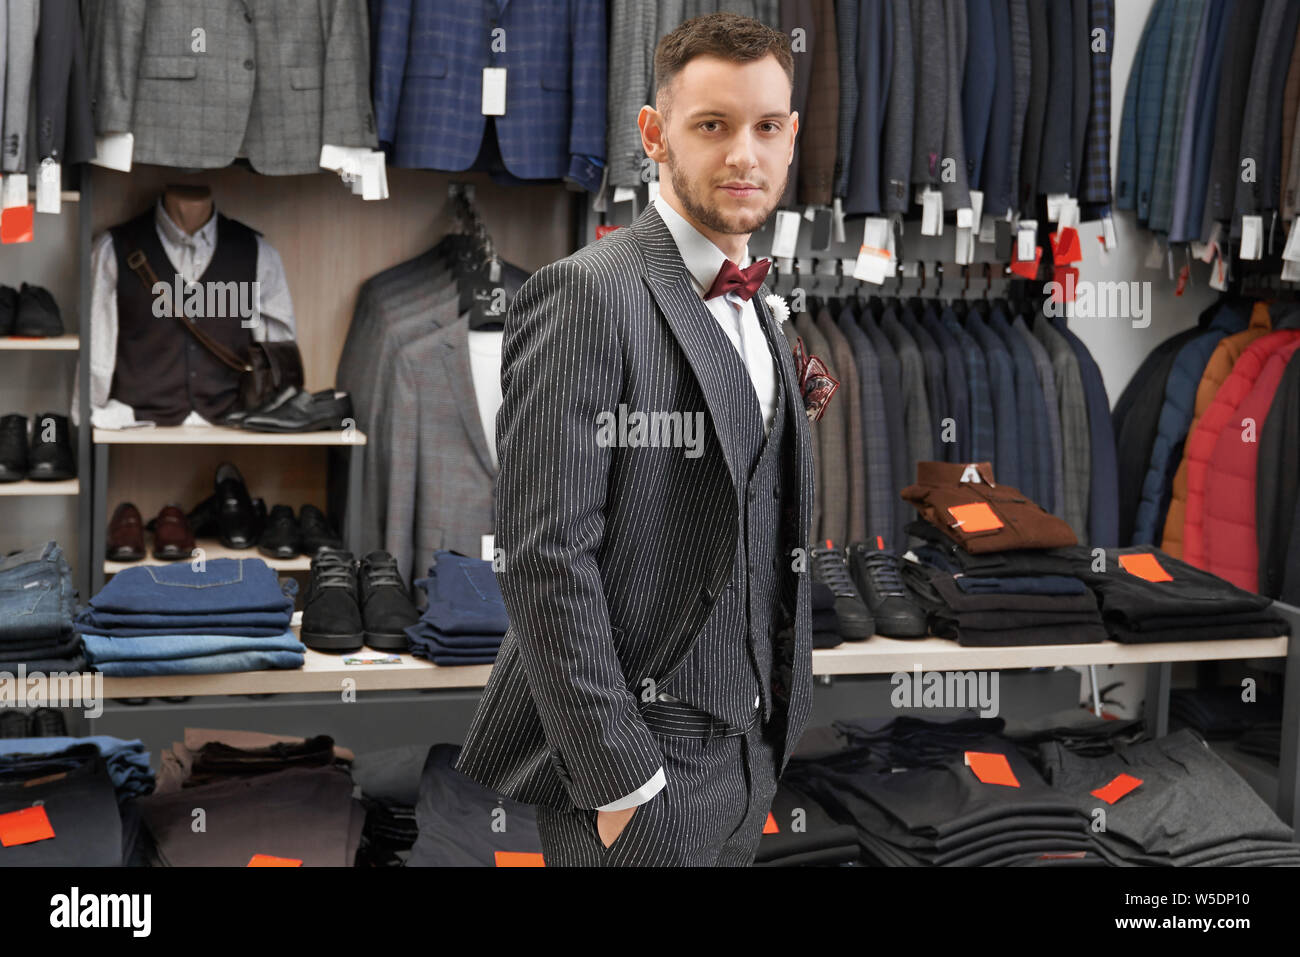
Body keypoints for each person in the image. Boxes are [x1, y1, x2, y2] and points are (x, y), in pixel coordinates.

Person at [456, 11, 815, 867]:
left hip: (752, 759)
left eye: (766, 128)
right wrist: (623, 782)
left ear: (793, 137)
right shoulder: (585, 295)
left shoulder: (765, 311)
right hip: (640, 775)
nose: (744, 156)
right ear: (655, 135)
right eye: (713, 126)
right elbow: (544, 553)